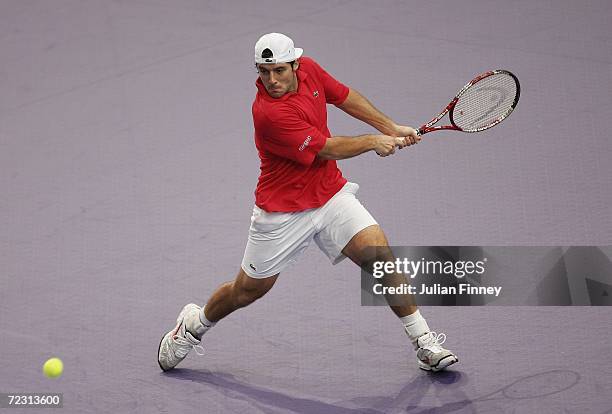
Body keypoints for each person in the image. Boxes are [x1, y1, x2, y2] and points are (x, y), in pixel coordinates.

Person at [158, 33, 458, 373]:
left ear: (296, 65)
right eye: (264, 71)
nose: (271, 80)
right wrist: (374, 140)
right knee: (247, 291)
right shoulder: (268, 113)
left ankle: (423, 341)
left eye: (280, 70)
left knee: (381, 259)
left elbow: (345, 97)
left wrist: (389, 126)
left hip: (329, 195)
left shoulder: (312, 71)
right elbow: (326, 149)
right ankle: (194, 325)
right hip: (282, 212)